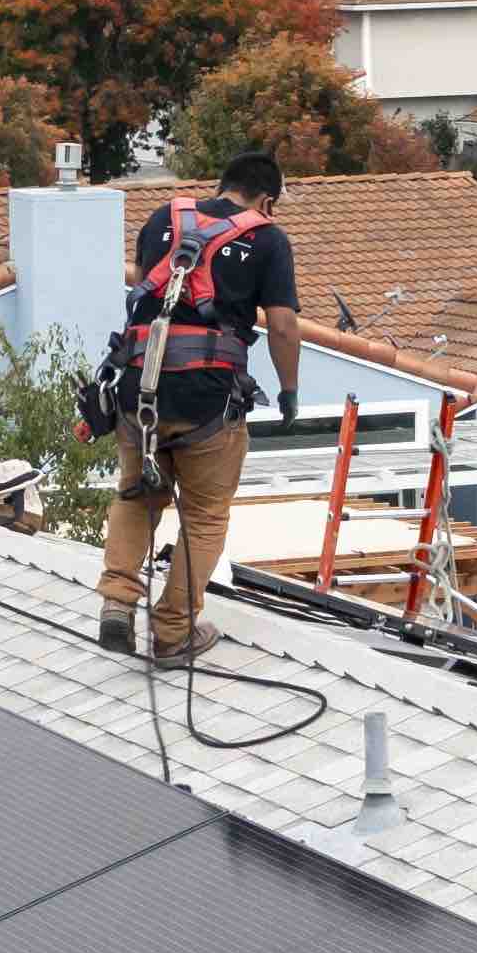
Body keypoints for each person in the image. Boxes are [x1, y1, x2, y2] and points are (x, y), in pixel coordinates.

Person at [99, 148, 303, 662]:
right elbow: (281, 325)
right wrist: (289, 391)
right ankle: (172, 631)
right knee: (206, 515)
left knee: (135, 496)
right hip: (208, 401)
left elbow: (153, 296)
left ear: (221, 185)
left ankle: (117, 604)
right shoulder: (268, 238)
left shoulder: (162, 218)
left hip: (137, 389)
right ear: (268, 202)